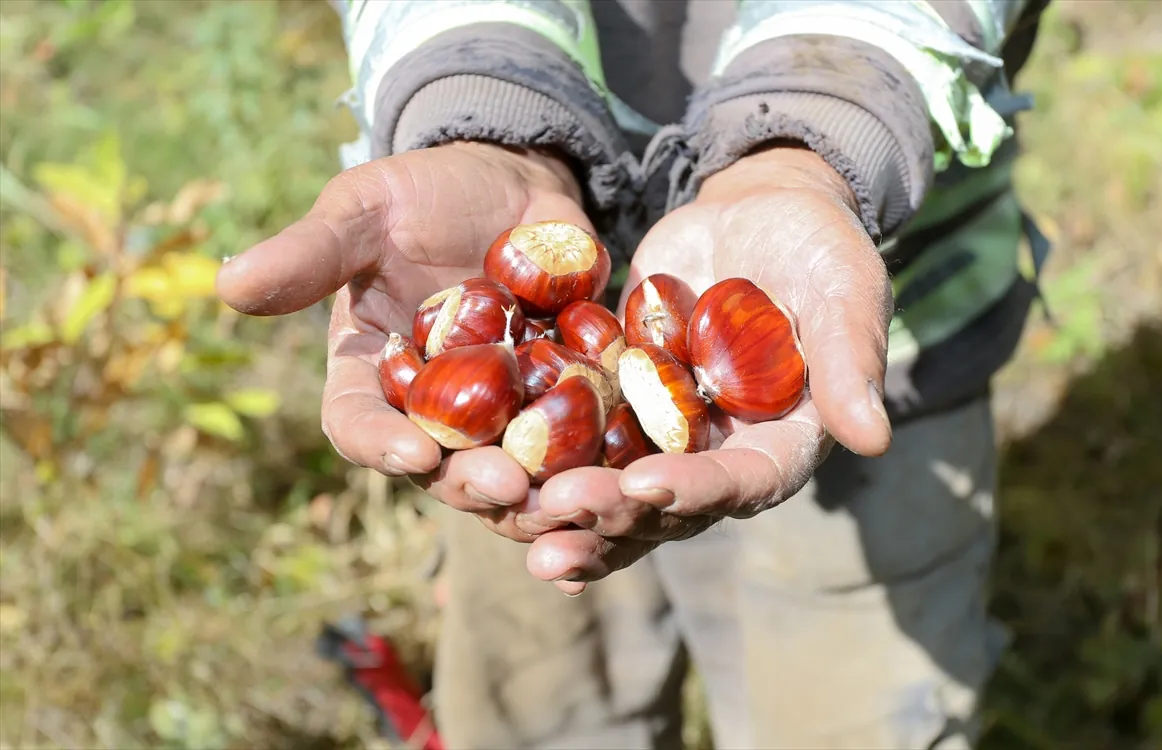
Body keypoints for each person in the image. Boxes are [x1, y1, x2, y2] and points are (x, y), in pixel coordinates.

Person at [216, 1, 1054, 747]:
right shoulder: (541, 358)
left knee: (847, 701)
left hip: (867, 323)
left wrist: (815, 131)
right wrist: (481, 99)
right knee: (542, 690)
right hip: (554, 390)